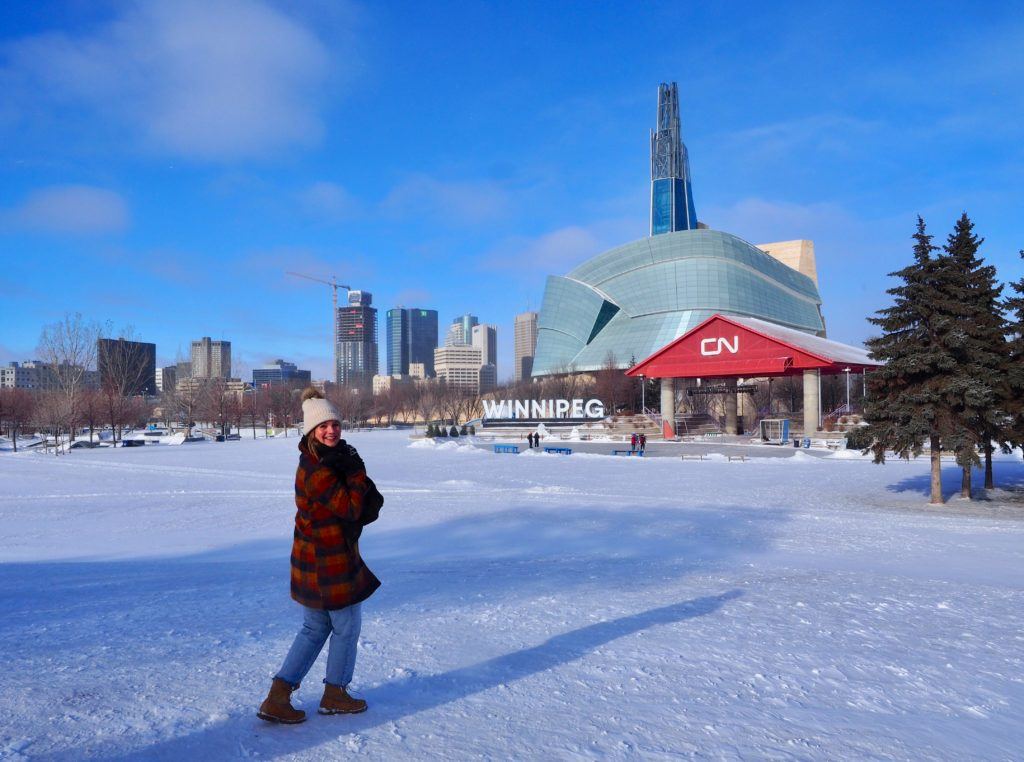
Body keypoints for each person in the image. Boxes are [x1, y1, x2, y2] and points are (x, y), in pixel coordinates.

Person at [258, 387, 384, 724]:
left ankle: (278, 697)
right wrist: (357, 472)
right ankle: (335, 693)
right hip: (328, 562)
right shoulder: (320, 469)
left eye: (335, 424)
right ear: (311, 431)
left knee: (314, 629)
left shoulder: (322, 459)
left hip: (314, 558)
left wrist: (351, 469)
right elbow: (353, 507)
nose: (331, 431)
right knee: (346, 627)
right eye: (323, 426)